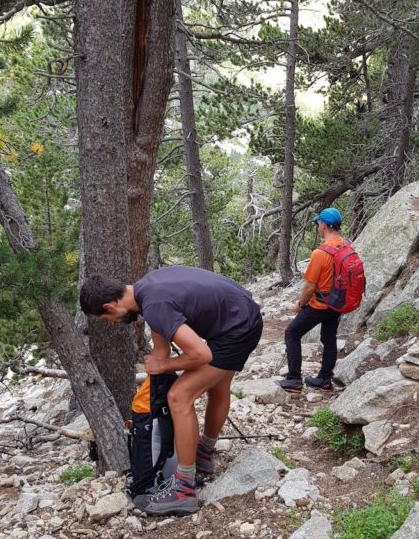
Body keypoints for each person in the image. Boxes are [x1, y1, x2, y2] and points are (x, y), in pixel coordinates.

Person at [80, 267, 263, 517]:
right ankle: (204, 454)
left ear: (110, 306)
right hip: (240, 316)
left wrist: (164, 366)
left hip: (238, 329)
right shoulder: (147, 291)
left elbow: (200, 354)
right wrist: (154, 376)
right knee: (218, 385)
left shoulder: (155, 305)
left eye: (106, 319)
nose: (112, 323)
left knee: (179, 397)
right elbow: (161, 351)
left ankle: (184, 489)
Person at [279, 207, 347, 394]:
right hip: (338, 301)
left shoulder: (320, 253)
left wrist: (301, 305)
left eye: (318, 223)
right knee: (329, 337)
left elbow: (309, 286)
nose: (318, 226)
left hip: (322, 303)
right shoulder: (346, 245)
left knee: (292, 333)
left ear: (324, 225)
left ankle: (293, 379)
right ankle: (324, 379)